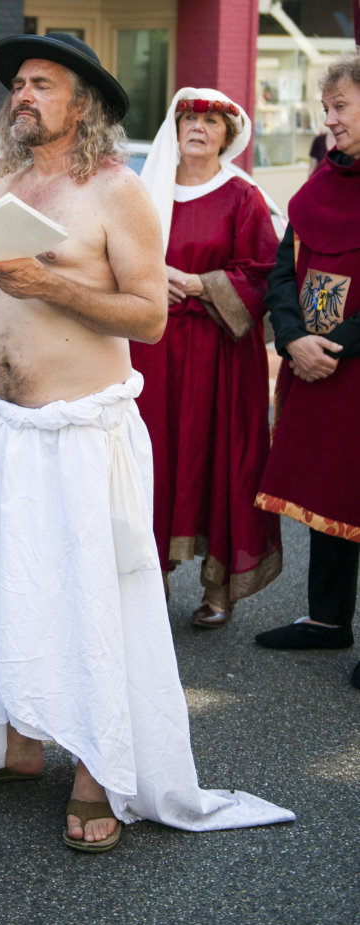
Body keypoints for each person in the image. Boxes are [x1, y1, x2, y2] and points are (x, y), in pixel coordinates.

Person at [0, 34, 294, 851]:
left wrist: (50, 283)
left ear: (84, 104)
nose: (22, 96)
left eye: (41, 84)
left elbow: (149, 314)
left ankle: (96, 774)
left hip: (80, 437)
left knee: (85, 601)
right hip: (3, 430)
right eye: (18, 85)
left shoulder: (118, 193)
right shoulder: (10, 184)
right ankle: (16, 746)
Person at [132, 89, 282, 626]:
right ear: (174, 129)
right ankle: (150, 582)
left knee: (220, 458)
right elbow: (116, 255)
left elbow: (263, 271)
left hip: (219, 353)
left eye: (210, 121)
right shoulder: (145, 190)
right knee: (153, 459)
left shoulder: (242, 196)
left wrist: (198, 283)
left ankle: (218, 590)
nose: (197, 128)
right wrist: (154, 279)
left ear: (228, 134)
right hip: (154, 350)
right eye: (189, 118)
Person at [254, 53, 360, 688]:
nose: (330, 120)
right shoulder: (319, 185)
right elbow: (281, 271)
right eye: (327, 108)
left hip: (350, 364)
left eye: (341, 107)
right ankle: (326, 620)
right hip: (314, 365)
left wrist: (337, 345)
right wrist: (292, 338)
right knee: (329, 490)